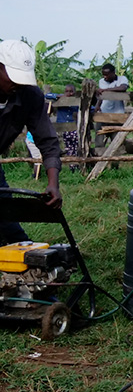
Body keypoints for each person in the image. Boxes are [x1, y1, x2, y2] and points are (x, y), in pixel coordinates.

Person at [0, 40, 64, 244]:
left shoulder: (29, 95)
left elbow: (47, 141)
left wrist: (53, 183)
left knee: (10, 227)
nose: (16, 84)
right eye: (11, 77)